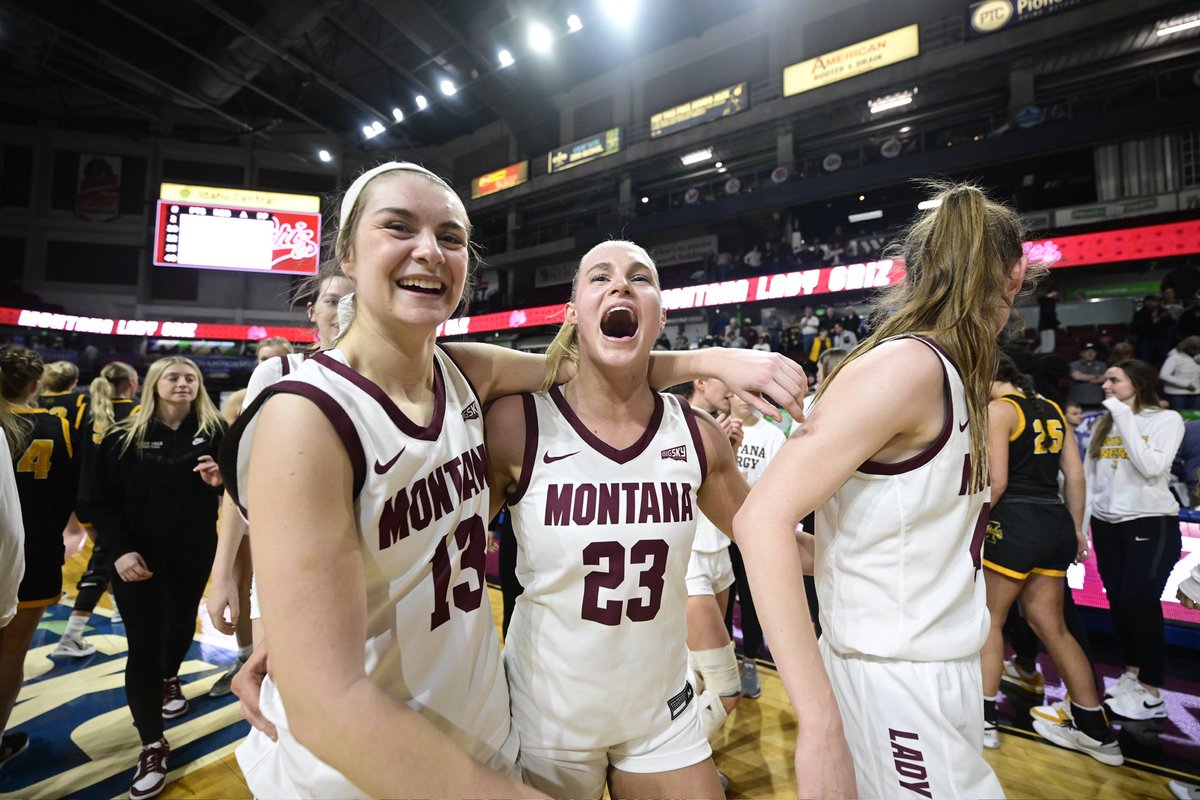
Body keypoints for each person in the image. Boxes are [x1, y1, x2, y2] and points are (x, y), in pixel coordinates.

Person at [221, 163, 808, 799]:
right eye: (399, 227)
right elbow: (326, 701)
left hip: (481, 724)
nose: (429, 250)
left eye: (450, 236)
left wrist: (713, 359)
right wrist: (293, 637)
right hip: (365, 766)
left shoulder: (464, 374)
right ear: (347, 253)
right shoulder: (308, 415)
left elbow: (597, 369)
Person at [735, 182, 1042, 799]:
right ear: (1016, 274)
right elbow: (759, 520)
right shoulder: (908, 367)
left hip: (936, 665)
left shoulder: (957, 374)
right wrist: (818, 721)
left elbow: (882, 540)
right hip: (895, 677)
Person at [486, 240, 772, 799]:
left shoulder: (698, 434)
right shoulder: (518, 422)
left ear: (661, 314)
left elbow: (768, 539)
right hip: (546, 715)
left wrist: (861, 548)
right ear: (573, 313)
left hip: (659, 712)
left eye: (641, 278)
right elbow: (443, 549)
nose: (621, 284)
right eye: (600, 277)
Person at [91, 356, 227, 800]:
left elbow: (242, 490)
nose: (183, 383)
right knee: (145, 643)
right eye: (173, 377)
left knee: (182, 622)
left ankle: (171, 676)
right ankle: (152, 744)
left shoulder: (217, 431)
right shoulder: (122, 436)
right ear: (153, 384)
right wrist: (119, 551)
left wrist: (220, 482)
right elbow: (98, 501)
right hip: (137, 556)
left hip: (194, 549)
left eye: (191, 377)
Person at [979, 354, 1120, 764]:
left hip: (1014, 521)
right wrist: (1076, 529)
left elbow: (997, 482)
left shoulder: (999, 410)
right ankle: (1093, 729)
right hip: (1055, 521)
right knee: (1052, 626)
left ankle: (984, 720)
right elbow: (1075, 476)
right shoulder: (1053, 409)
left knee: (990, 621)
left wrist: (971, 525)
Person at [1085, 359, 1184, 722]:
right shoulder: (1105, 422)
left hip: (1150, 520)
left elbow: (1152, 467)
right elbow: (1091, 478)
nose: (1105, 385)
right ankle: (1132, 674)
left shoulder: (1165, 420)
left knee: (1139, 599)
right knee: (1118, 602)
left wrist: (1123, 416)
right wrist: (1081, 527)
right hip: (1106, 524)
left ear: (1138, 383)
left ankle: (1152, 690)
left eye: (1114, 379)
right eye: (1106, 379)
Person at [0, 346, 79, 771]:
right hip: (34, 555)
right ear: (35, 386)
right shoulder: (55, 426)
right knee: (9, 658)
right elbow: (71, 493)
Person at [52, 361, 140, 657]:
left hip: (83, 496)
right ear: (131, 382)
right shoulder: (137, 411)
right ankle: (71, 635)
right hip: (114, 500)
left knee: (108, 554)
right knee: (101, 562)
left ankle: (117, 609)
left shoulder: (85, 410)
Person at [675, 375, 745, 736]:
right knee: (727, 691)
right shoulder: (672, 422)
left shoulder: (717, 428)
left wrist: (727, 453)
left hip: (720, 554)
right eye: (723, 382)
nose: (731, 390)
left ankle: (681, 748)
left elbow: (723, 496)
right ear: (700, 382)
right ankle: (678, 757)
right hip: (690, 560)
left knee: (697, 672)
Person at [1159, 336, 1200, 410]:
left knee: (1195, 416)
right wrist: (1186, 384)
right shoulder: (1174, 357)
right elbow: (1163, 375)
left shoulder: (1197, 358)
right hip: (1176, 394)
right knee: (1178, 415)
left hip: (1196, 393)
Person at [1068, 343, 1106, 410]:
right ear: (1081, 353)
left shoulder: (1102, 365)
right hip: (1077, 402)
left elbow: (1104, 378)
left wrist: (1084, 377)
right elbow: (1077, 377)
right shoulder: (1074, 365)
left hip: (1097, 402)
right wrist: (1096, 376)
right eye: (1087, 351)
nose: (1090, 353)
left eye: (1093, 351)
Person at [1036, 286, 1062, 354]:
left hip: (1043, 326)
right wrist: (1058, 324)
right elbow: (1050, 314)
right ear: (1054, 292)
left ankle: (1036, 356)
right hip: (1049, 327)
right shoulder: (1050, 301)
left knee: (1045, 346)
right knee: (1048, 347)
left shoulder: (1043, 301)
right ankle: (1038, 357)